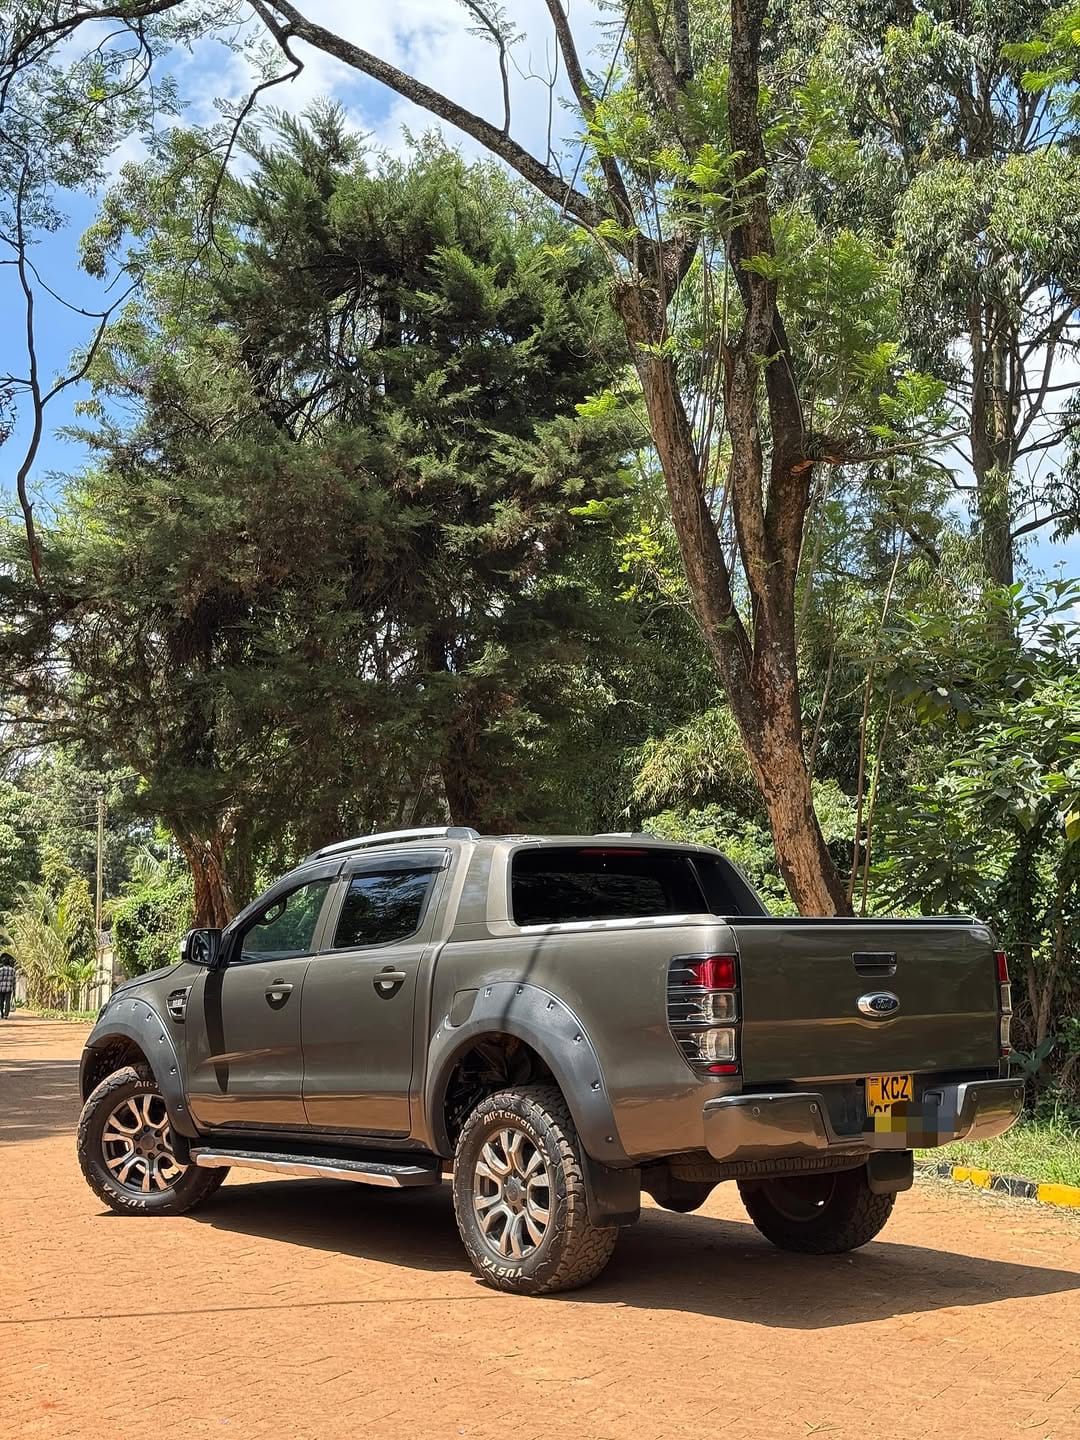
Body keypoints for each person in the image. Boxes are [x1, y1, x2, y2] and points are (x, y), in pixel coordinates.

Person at [0, 954, 15, 1019]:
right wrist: (14, 989)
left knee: (1, 1001)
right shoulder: (13, 970)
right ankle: (6, 1015)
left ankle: (2, 1013)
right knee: (7, 1001)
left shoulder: (1, 969)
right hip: (9, 988)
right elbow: (14, 980)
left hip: (1, 988)